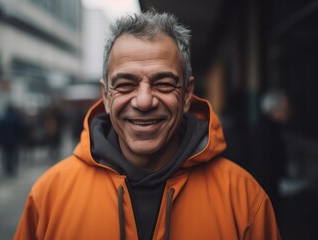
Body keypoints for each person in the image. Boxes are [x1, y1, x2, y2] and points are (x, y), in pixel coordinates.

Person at [14, 10, 281, 239]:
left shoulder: (245, 199)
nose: (143, 101)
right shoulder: (49, 197)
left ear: (187, 94)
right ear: (106, 97)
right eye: (126, 84)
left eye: (163, 83)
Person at [249, 89, 290, 226]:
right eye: (284, 108)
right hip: (267, 189)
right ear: (274, 110)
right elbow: (265, 165)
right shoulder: (268, 132)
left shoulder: (268, 128)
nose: (288, 111)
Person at [0, 104, 23, 176]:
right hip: (15, 140)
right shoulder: (16, 118)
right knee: (14, 155)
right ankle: (14, 168)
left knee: (7, 155)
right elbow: (20, 129)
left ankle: (8, 168)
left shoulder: (3, 118)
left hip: (5, 140)